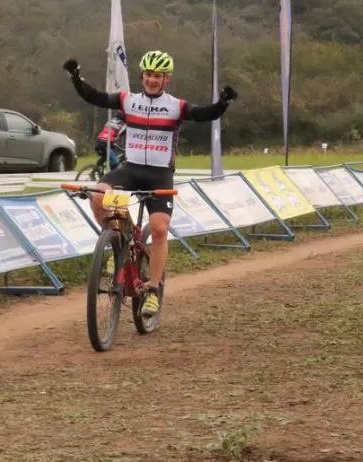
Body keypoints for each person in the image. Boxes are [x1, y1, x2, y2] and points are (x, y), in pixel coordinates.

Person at [63, 50, 238, 317]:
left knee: (158, 228)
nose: (152, 80)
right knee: (98, 194)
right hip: (131, 170)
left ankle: (153, 290)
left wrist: (223, 102)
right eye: (148, 75)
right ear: (142, 75)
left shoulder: (176, 106)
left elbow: (205, 114)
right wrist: (76, 78)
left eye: (158, 76)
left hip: (159, 174)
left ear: (166, 78)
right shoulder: (128, 101)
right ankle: (117, 242)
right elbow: (94, 96)